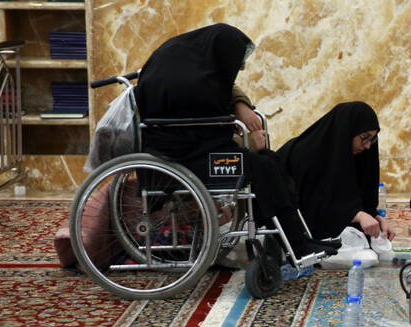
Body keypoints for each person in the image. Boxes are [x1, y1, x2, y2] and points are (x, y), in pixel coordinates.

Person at [133, 23, 337, 258]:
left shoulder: (192, 67)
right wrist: (249, 142)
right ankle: (296, 248)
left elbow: (217, 116)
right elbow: (210, 135)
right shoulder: (196, 86)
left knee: (272, 161)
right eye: (238, 59)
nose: (242, 66)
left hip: (190, 151)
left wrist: (241, 106)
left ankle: (296, 239)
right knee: (263, 168)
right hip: (182, 159)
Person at [276, 102, 396, 241]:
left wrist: (374, 217)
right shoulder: (308, 154)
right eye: (364, 137)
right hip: (297, 235)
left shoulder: (352, 155)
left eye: (373, 139)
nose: (368, 146)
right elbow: (312, 208)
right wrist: (358, 216)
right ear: (346, 131)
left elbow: (347, 198)